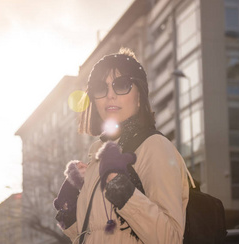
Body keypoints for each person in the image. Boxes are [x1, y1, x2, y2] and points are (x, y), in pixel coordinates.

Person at [53, 48, 191, 243]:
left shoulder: (155, 147)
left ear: (139, 95)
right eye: (101, 88)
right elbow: (102, 234)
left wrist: (123, 190)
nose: (110, 95)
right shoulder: (97, 156)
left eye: (122, 85)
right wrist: (71, 212)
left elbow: (171, 239)